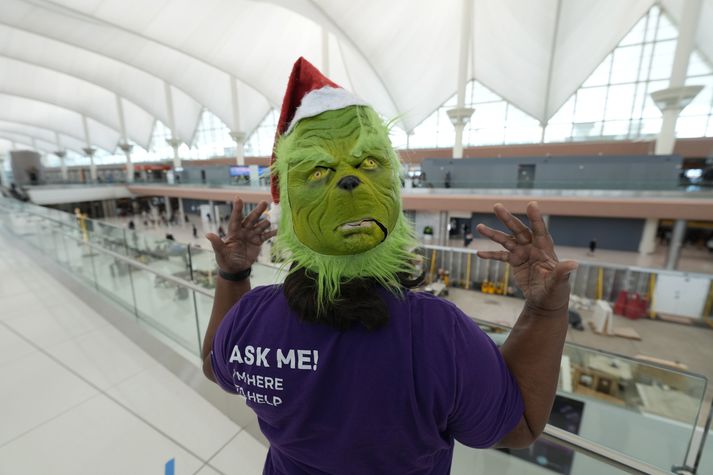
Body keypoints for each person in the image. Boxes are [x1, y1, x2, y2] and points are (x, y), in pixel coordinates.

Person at [202, 57, 576, 475]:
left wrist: (233, 276)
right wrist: (545, 310)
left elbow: (215, 367)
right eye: (320, 171)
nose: (348, 181)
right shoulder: (436, 333)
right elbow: (519, 425)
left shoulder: (252, 319)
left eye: (367, 164)